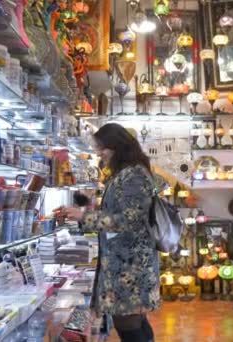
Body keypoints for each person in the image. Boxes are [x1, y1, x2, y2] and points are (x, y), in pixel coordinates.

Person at [63, 123, 159, 342]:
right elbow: (123, 212)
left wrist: (83, 217)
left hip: (131, 265)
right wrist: (91, 206)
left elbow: (128, 220)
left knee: (129, 323)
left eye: (102, 148)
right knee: (134, 321)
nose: (99, 153)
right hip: (126, 261)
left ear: (117, 147)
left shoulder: (134, 175)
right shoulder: (127, 173)